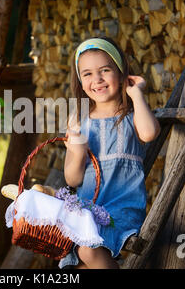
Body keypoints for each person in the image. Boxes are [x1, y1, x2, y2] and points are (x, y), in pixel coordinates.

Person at [60, 37, 161, 269]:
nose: (97, 79)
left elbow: (149, 133)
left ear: (121, 73)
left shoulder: (131, 113)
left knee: (88, 248)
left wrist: (136, 94)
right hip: (87, 210)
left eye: (105, 70)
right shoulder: (78, 119)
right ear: (80, 80)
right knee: (81, 264)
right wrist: (77, 152)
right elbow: (73, 179)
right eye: (87, 74)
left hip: (122, 209)